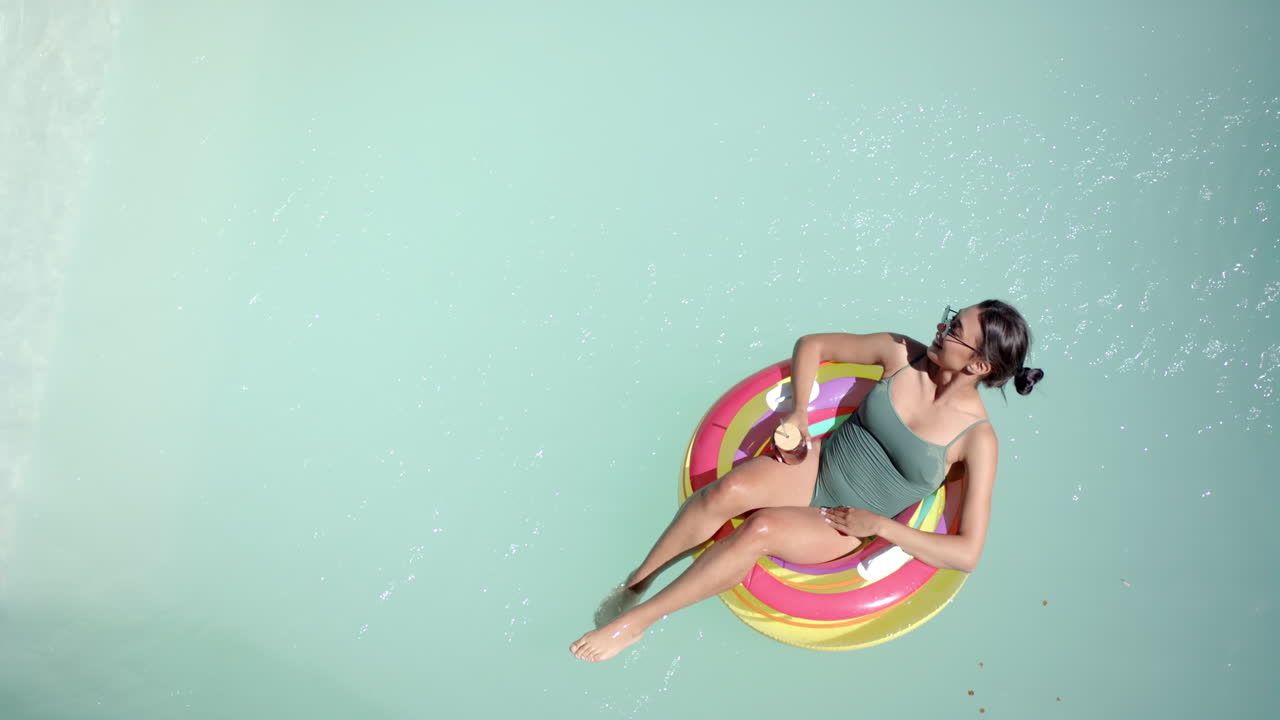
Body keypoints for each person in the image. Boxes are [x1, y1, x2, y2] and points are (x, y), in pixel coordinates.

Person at [569, 300, 1044, 662]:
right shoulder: (901, 353)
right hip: (815, 466)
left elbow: (967, 553)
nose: (940, 328)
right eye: (949, 317)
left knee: (761, 530)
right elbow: (813, 344)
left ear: (979, 365)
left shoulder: (977, 439)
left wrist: (880, 527)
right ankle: (637, 583)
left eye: (954, 330)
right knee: (726, 491)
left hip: (841, 522)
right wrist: (799, 412)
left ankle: (636, 622)